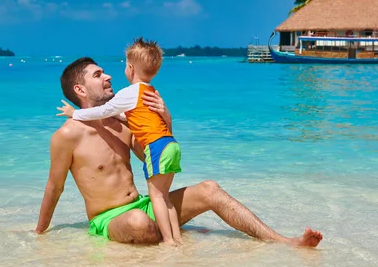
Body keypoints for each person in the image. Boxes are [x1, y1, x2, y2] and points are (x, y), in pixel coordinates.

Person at [35, 56, 323, 248]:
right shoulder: (67, 135)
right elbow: (54, 187)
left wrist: (165, 116)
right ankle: (174, 234)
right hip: (110, 219)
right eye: (98, 75)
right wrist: (39, 234)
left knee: (209, 189)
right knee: (138, 222)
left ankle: (283, 241)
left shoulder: (122, 122)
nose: (108, 76)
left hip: (145, 204)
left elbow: (154, 156)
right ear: (80, 89)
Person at [56, 38, 182, 245]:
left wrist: (75, 113)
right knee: (164, 198)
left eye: (125, 65)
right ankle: (177, 239)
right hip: (171, 144)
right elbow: (130, 117)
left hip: (157, 148)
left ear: (131, 68)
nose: (110, 76)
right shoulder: (150, 91)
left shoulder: (128, 93)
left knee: (158, 197)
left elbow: (106, 110)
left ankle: (168, 240)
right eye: (98, 74)